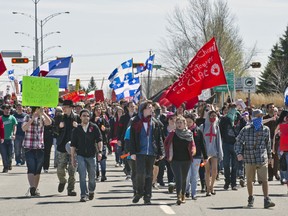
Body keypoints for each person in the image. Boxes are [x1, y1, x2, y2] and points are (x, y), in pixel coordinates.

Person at [235, 109, 275, 208]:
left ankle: (266, 199)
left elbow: (268, 144)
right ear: (253, 117)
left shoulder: (266, 129)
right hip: (249, 158)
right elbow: (238, 142)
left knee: (264, 179)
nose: (260, 118)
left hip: (262, 158)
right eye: (258, 116)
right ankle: (250, 197)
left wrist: (270, 157)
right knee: (249, 180)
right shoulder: (246, 129)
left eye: (261, 116)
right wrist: (239, 153)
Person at [130, 100, 164, 205]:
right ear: (143, 109)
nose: (151, 109)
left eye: (151, 108)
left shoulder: (155, 122)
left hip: (151, 152)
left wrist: (160, 151)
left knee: (149, 175)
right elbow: (132, 138)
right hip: (140, 151)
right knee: (140, 173)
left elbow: (159, 138)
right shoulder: (135, 121)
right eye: (149, 107)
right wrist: (132, 152)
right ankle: (139, 192)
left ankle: (147, 196)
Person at [71, 109, 103, 202]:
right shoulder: (76, 130)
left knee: (92, 176)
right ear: (80, 117)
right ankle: (83, 194)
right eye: (84, 115)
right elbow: (73, 145)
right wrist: (73, 158)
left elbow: (99, 140)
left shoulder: (94, 127)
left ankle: (91, 190)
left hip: (91, 155)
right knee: (82, 175)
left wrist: (100, 152)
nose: (86, 117)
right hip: (80, 155)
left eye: (87, 116)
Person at [164, 115, 196, 205]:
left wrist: (193, 150)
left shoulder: (189, 134)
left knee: (184, 178)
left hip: (186, 159)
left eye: (180, 123)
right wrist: (167, 152)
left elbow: (192, 144)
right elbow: (165, 143)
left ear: (184, 124)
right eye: (177, 123)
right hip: (175, 159)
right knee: (178, 177)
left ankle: (183, 195)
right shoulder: (172, 133)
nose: (179, 124)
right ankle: (178, 195)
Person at [22, 107, 52, 196]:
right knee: (31, 167)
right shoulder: (27, 117)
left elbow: (49, 122)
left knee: (38, 169)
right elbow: (24, 128)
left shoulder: (42, 118)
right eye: (38, 109)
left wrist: (43, 113)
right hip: (29, 146)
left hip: (39, 146)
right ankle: (32, 187)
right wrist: (32, 119)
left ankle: (35, 188)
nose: (39, 111)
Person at [55, 100, 80, 196]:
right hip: (62, 146)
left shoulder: (76, 117)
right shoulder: (59, 117)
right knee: (60, 167)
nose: (64, 108)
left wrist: (78, 126)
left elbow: (82, 131)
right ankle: (62, 181)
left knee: (72, 169)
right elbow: (54, 130)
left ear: (71, 107)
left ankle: (71, 189)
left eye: (66, 107)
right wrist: (59, 127)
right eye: (63, 107)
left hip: (74, 147)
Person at [219, 103, 246, 190]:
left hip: (236, 144)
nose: (233, 109)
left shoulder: (240, 118)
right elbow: (220, 130)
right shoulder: (224, 119)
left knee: (235, 165)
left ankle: (233, 183)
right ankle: (227, 181)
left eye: (235, 107)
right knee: (226, 164)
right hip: (226, 143)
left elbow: (244, 129)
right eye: (231, 108)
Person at [184, 113, 208, 200]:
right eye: (186, 122)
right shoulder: (183, 131)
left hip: (197, 156)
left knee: (194, 175)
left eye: (190, 122)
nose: (188, 123)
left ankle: (193, 193)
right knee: (187, 175)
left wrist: (205, 156)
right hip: (186, 156)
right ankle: (187, 190)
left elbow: (203, 144)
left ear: (193, 121)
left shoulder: (198, 131)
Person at [200, 110, 223, 196]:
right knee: (207, 170)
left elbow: (219, 140)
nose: (213, 117)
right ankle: (207, 189)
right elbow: (199, 139)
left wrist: (219, 151)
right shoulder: (203, 126)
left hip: (214, 151)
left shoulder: (216, 127)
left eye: (214, 116)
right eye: (211, 116)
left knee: (214, 170)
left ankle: (212, 186)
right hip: (205, 152)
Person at [91, 104, 110, 182]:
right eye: (96, 110)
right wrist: (94, 122)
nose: (98, 111)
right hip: (93, 142)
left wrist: (105, 129)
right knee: (95, 159)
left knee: (102, 159)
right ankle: (97, 174)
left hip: (103, 141)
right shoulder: (91, 120)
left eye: (99, 110)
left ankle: (103, 174)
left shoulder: (103, 119)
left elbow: (109, 129)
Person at [0, 104, 17, 173]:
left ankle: (9, 163)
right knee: (4, 154)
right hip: (2, 140)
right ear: (3, 110)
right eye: (6, 109)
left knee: (10, 153)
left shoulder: (12, 118)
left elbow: (14, 126)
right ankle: (5, 167)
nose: (8, 110)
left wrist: (14, 134)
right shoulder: (0, 118)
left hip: (10, 139)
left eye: (9, 109)